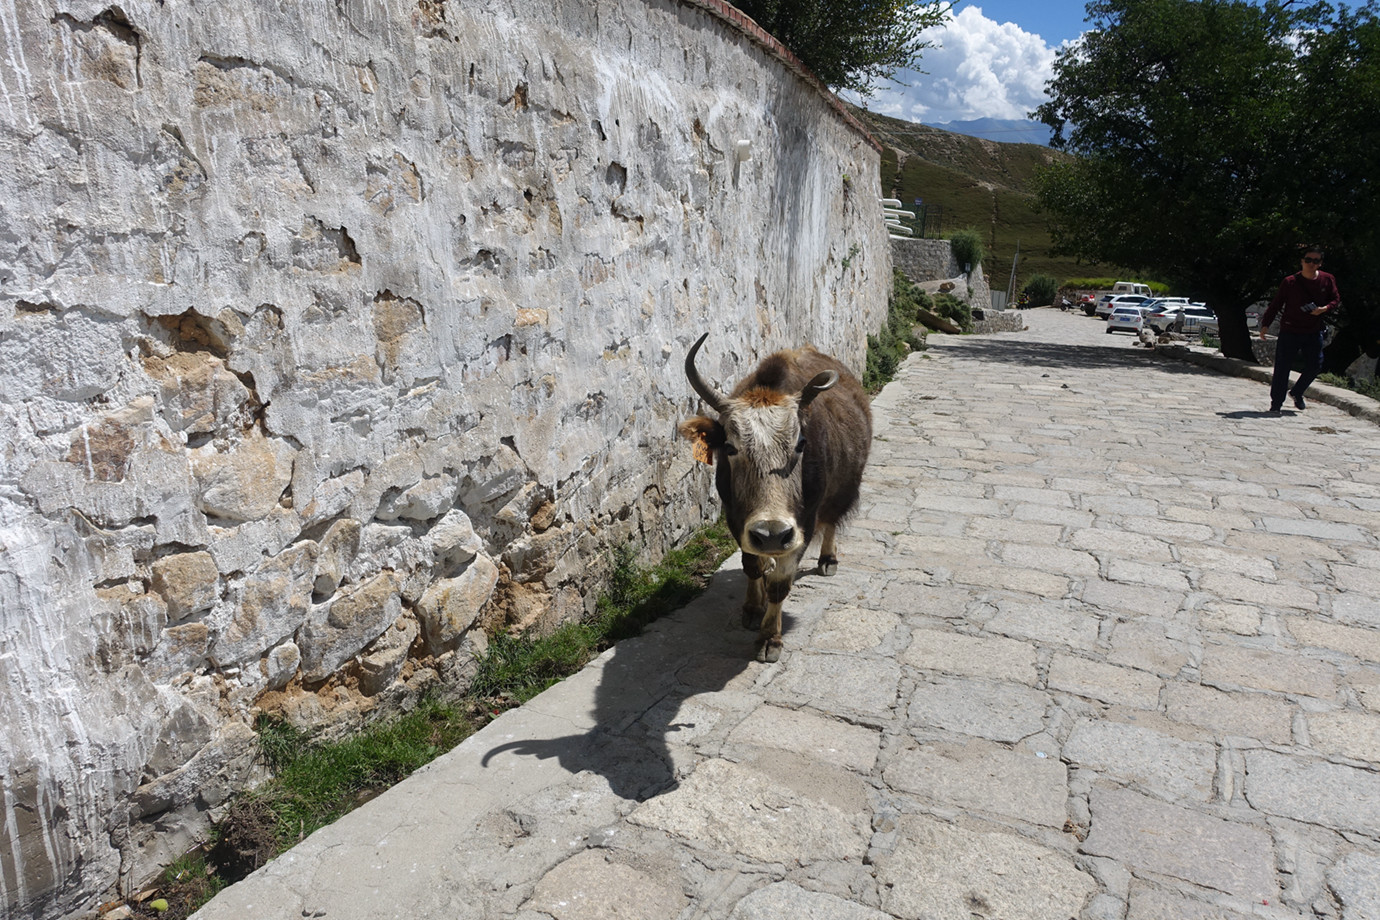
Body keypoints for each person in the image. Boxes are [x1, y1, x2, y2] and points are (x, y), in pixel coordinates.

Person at [1258, 245, 1340, 413]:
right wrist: (1265, 324)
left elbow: (1335, 299)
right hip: (1290, 330)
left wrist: (1325, 308)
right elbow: (1276, 304)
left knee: (1315, 365)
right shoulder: (1290, 282)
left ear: (1320, 263)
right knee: (1282, 367)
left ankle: (1297, 391)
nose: (1311, 264)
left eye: (1315, 261)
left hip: (1313, 330)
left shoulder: (1327, 279)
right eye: (1308, 260)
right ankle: (1276, 404)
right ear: (1302, 261)